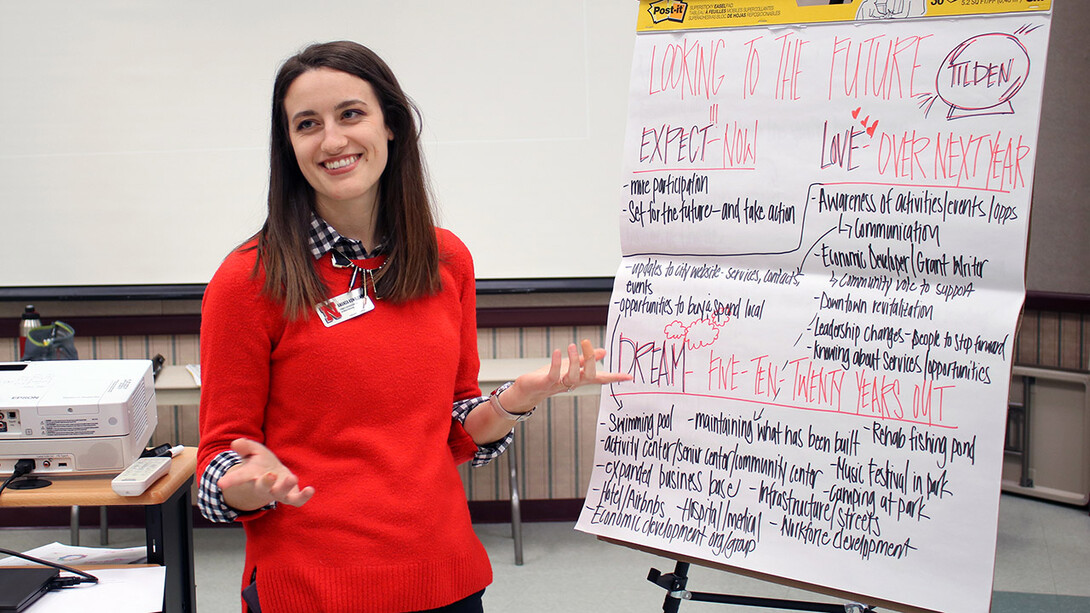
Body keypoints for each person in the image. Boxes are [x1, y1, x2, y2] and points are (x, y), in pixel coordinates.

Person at [195, 40, 630, 613]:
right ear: (290, 146)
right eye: (307, 124)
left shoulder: (447, 261)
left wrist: (513, 403)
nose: (332, 140)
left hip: (444, 576)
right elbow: (217, 463)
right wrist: (247, 485)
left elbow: (454, 428)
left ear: (392, 125)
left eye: (351, 114)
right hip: (312, 588)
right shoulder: (247, 280)